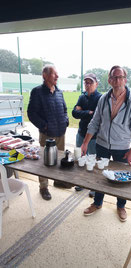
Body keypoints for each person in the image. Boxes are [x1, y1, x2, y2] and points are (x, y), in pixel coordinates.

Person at [81, 65, 131, 222]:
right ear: (109, 80)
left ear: (125, 79)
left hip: (121, 147)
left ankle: (121, 206)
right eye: (114, 77)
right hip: (102, 144)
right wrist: (85, 143)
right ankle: (97, 203)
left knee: (121, 179)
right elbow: (95, 122)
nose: (117, 80)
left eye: (120, 77)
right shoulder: (103, 99)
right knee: (99, 177)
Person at [27, 65, 71, 201]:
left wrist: (66, 120)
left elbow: (64, 109)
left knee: (59, 159)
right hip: (47, 134)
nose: (57, 77)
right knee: (45, 162)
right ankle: (43, 187)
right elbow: (31, 113)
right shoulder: (37, 92)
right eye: (54, 74)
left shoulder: (59, 91)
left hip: (61, 132)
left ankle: (57, 180)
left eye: (57, 74)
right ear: (45, 76)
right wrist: (44, 126)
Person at [72, 73, 102, 197]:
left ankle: (93, 186)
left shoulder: (101, 98)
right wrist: (88, 112)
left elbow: (97, 117)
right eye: (86, 82)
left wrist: (82, 112)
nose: (87, 85)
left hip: (94, 136)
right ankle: (81, 182)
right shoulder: (82, 97)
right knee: (80, 159)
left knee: (93, 161)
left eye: (90, 82)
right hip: (81, 133)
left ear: (96, 84)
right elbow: (74, 113)